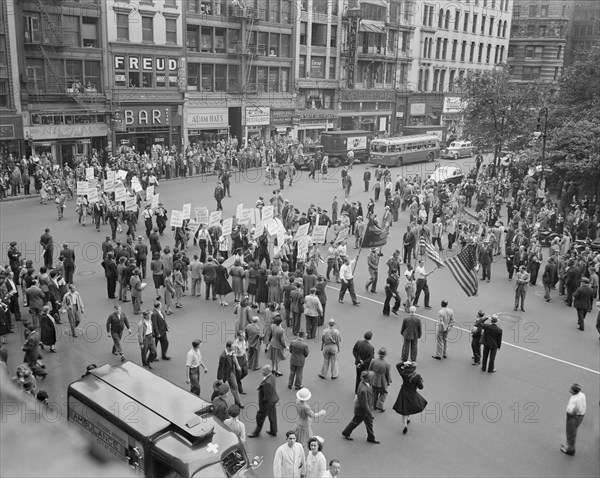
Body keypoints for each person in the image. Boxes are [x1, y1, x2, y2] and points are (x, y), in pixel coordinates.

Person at [341, 370, 380, 444]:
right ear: (369, 379)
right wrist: (370, 414)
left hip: (363, 410)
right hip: (362, 411)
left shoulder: (364, 383)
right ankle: (346, 432)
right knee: (356, 422)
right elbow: (364, 404)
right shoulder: (363, 390)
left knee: (368, 423)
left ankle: (371, 437)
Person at [392, 360, 428, 434]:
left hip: (404, 392)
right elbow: (421, 387)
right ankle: (408, 418)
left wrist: (404, 362)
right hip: (412, 393)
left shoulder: (404, 374)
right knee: (409, 406)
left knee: (404, 408)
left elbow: (397, 366)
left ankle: (405, 425)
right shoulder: (417, 376)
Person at [248, 364, 279, 438]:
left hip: (267, 403)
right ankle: (273, 431)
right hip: (273, 400)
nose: (262, 371)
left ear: (268, 371)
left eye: (263, 370)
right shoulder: (271, 376)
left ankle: (256, 432)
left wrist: (263, 406)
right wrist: (260, 386)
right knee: (272, 416)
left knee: (260, 417)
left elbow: (266, 397)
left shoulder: (267, 383)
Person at [560, 383, 587, 456]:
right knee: (572, 431)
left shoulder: (573, 400)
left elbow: (569, 411)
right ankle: (568, 444)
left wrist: (571, 416)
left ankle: (570, 450)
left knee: (570, 433)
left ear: (573, 391)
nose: (570, 390)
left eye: (571, 389)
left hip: (574, 417)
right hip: (581, 415)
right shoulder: (582, 395)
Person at [217, 341, 244, 408]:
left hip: (231, 372)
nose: (234, 347)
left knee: (235, 387)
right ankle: (215, 399)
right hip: (224, 374)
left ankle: (238, 403)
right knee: (221, 389)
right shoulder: (223, 356)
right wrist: (220, 378)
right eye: (232, 346)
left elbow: (234, 359)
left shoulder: (232, 352)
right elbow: (220, 368)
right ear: (228, 347)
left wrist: (237, 366)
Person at [368, 348, 392, 412]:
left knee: (374, 393)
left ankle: (374, 406)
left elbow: (370, 370)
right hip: (382, 381)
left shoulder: (373, 361)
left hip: (373, 379)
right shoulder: (387, 364)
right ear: (384, 355)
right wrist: (388, 382)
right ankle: (380, 405)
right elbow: (388, 375)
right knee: (384, 393)